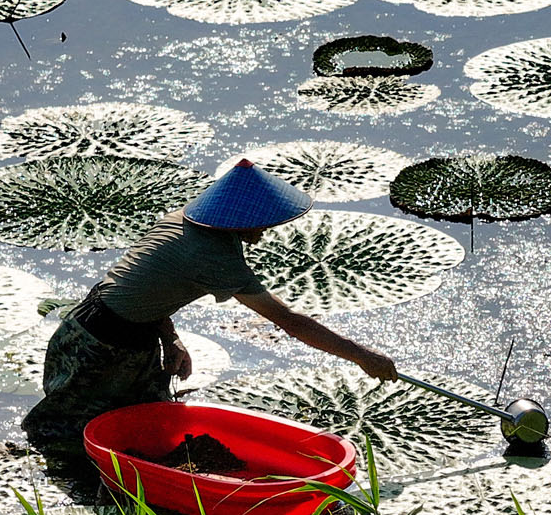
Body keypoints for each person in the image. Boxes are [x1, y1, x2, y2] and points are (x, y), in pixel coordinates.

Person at [21, 159, 398, 458]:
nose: (266, 229)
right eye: (262, 221)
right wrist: (361, 355)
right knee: (65, 433)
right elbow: (289, 321)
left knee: (152, 428)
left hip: (116, 327)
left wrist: (172, 341)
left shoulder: (184, 221)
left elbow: (145, 290)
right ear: (241, 219)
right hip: (101, 345)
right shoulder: (214, 256)